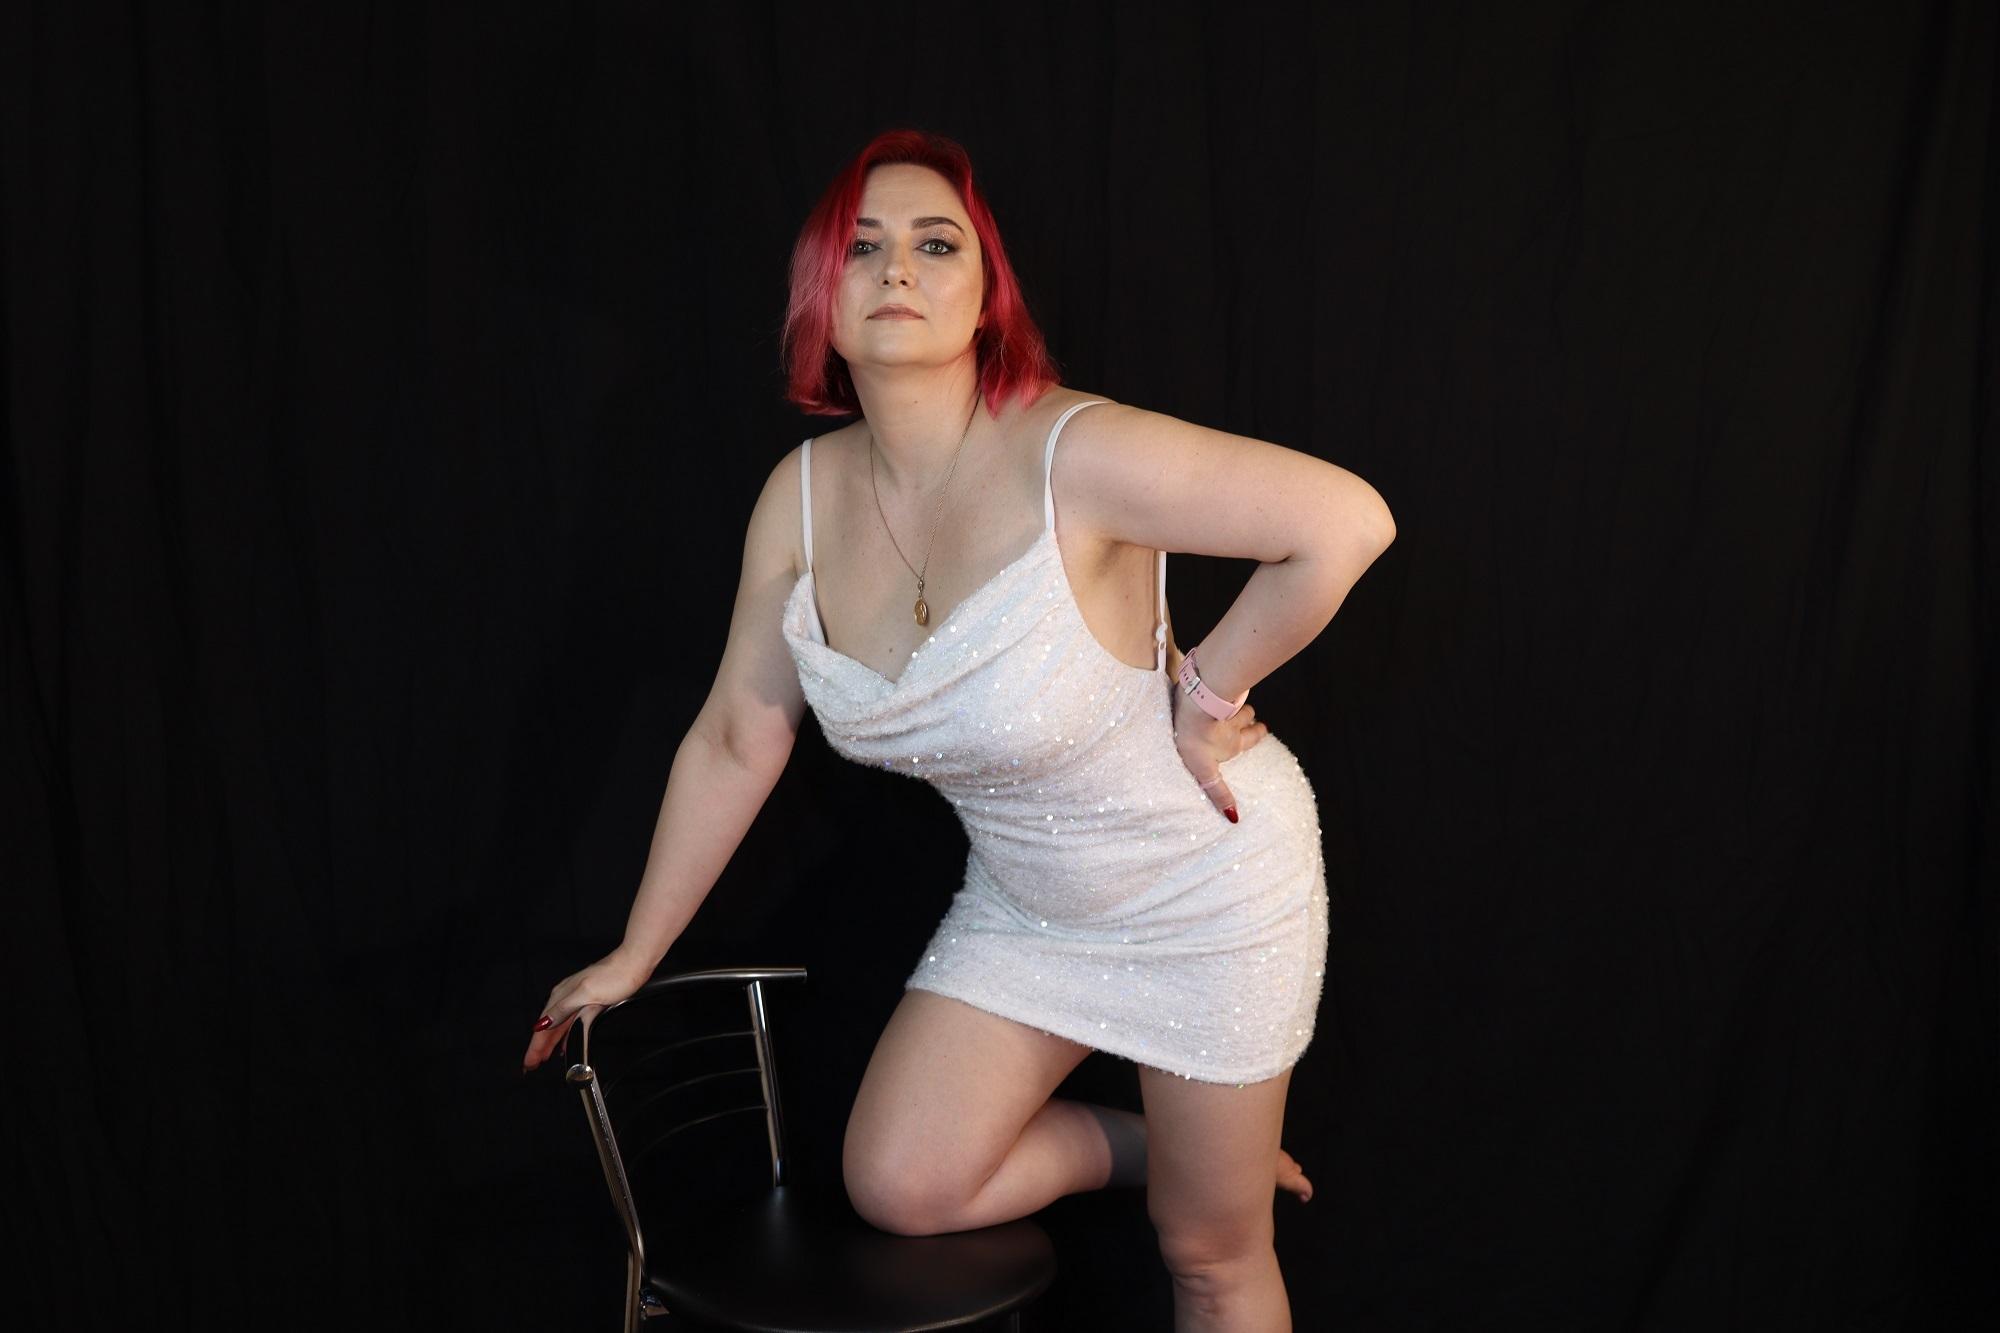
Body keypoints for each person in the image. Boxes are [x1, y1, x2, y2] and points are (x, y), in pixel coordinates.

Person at [522, 127, 1395, 1330]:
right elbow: (736, 733)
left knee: (1207, 1250)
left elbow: (1343, 522)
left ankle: (1207, 1184)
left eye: (936, 245)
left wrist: (1206, 697)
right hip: (1028, 906)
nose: (896, 267)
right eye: (861, 246)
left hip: (1206, 882)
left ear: (987, 297)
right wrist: (634, 953)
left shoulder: (1074, 451)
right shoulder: (800, 498)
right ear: (819, 300)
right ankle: (1160, 1146)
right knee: (900, 1184)